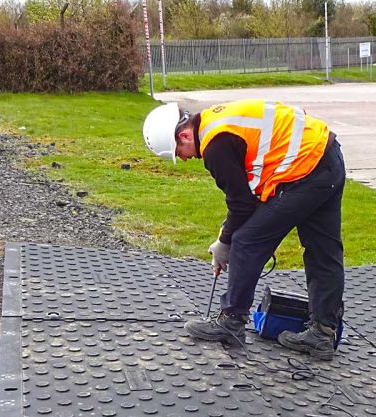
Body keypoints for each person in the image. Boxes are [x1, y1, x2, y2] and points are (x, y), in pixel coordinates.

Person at [142, 99, 345, 360]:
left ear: (183, 135)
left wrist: (224, 243)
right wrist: (226, 233)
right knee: (323, 251)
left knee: (246, 241)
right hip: (327, 156)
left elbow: (241, 205)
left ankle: (231, 322)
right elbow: (248, 195)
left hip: (305, 171)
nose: (184, 158)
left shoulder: (215, 146)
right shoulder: (217, 120)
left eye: (178, 152)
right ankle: (322, 334)